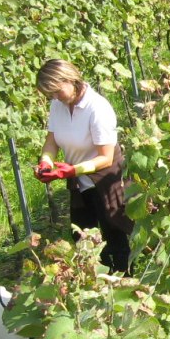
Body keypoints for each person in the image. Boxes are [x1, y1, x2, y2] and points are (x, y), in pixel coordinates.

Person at [32, 59, 134, 274]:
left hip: (106, 179)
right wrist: (46, 162)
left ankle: (124, 281)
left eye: (57, 91)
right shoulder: (58, 105)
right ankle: (95, 282)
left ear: (70, 80)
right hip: (80, 182)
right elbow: (52, 141)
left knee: (113, 232)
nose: (54, 97)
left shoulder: (97, 108)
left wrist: (71, 170)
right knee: (83, 236)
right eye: (50, 94)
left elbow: (105, 158)